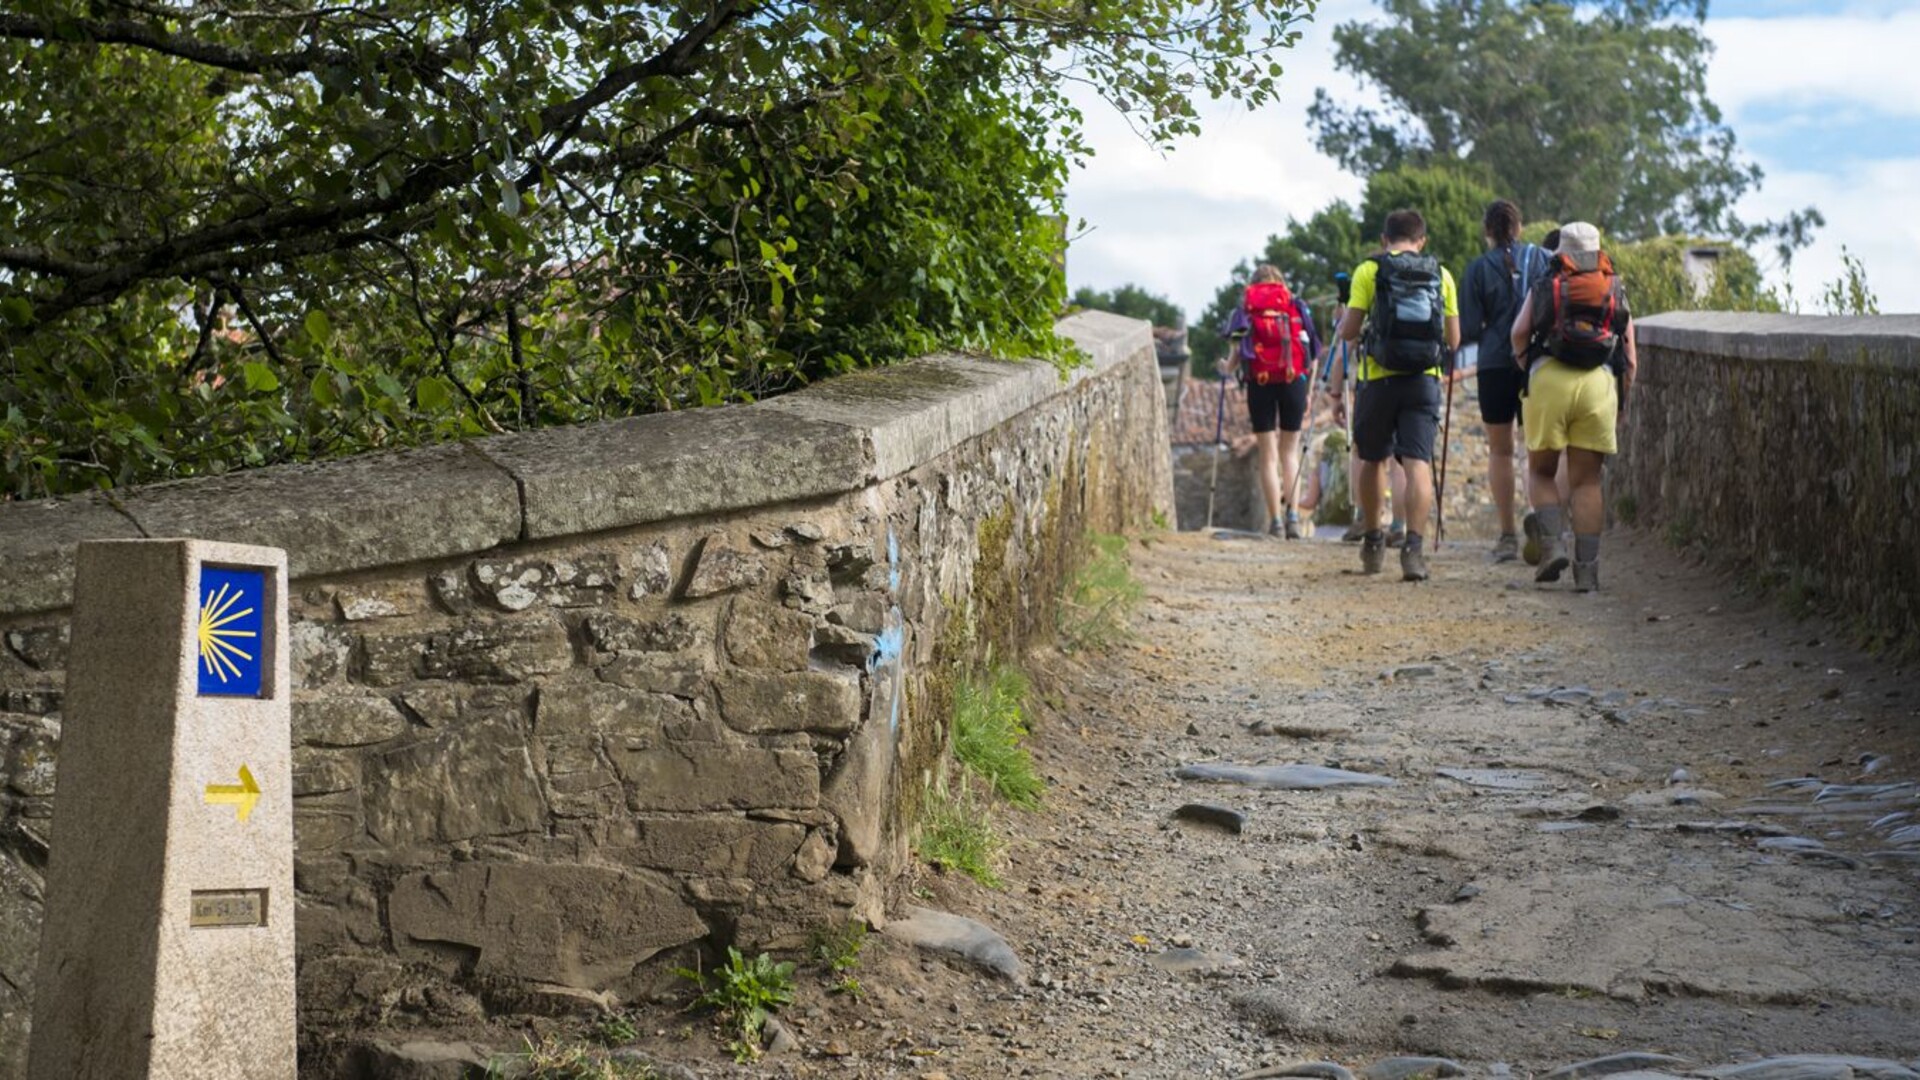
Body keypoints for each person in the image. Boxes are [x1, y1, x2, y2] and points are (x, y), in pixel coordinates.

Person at [1331, 210, 1462, 581]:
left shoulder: (1369, 271)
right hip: (1424, 380)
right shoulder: (1442, 274)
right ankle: (1414, 550)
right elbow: (1453, 340)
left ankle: (1373, 543)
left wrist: (1345, 317)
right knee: (1417, 462)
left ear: (1383, 239)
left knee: (1372, 459)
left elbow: (1349, 331)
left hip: (1379, 379)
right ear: (1422, 240)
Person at [1508, 221, 1636, 592]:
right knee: (1586, 482)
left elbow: (1518, 332)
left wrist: (1526, 363)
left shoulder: (1548, 282)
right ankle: (1588, 572)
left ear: (1560, 250)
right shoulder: (1613, 286)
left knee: (1542, 471)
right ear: (1598, 250)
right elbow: (1630, 355)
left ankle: (1551, 548)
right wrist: (1622, 401)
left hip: (1548, 378)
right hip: (1597, 384)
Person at [1460, 200, 1550, 562]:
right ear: (1520, 226)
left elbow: (1466, 328)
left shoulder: (1478, 268)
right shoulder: (1542, 259)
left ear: (1488, 231)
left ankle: (1508, 536)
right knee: (1536, 448)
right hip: (1535, 364)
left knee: (1500, 450)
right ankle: (1544, 528)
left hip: (1494, 363)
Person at [1221, 264, 1321, 538]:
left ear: (1253, 285)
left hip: (1260, 385)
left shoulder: (1245, 310)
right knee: (1290, 452)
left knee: (1268, 455)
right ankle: (1293, 519)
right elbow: (1313, 355)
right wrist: (1309, 390)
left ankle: (1275, 522)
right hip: (1293, 382)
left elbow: (1234, 361)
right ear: (1281, 282)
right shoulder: (1296, 306)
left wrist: (1224, 367)